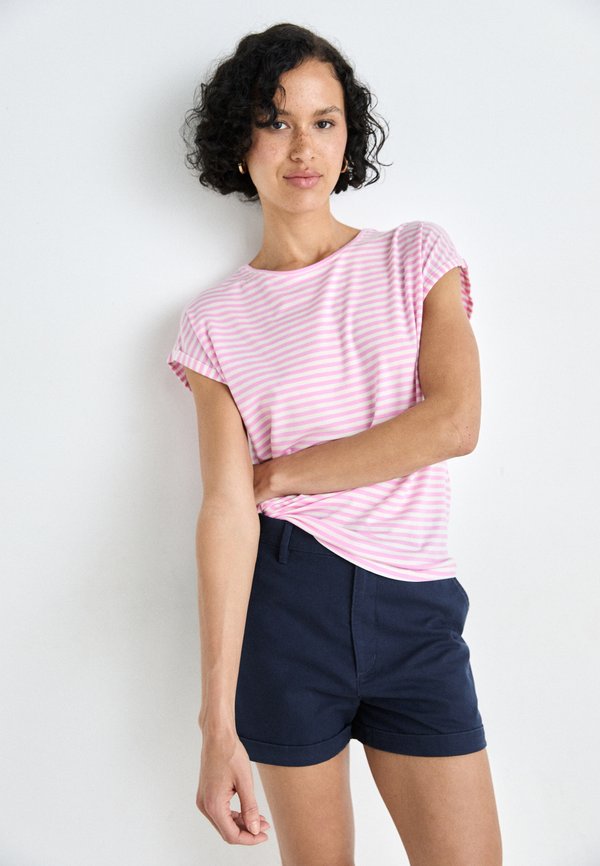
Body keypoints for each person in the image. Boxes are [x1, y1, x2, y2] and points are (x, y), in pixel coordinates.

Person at [166, 21, 503, 866]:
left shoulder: (416, 257)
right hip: (287, 611)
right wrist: (215, 725)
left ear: (349, 135)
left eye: (324, 121)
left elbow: (454, 423)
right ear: (238, 139)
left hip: (415, 610)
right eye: (276, 121)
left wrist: (282, 474)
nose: (302, 147)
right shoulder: (213, 323)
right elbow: (225, 512)